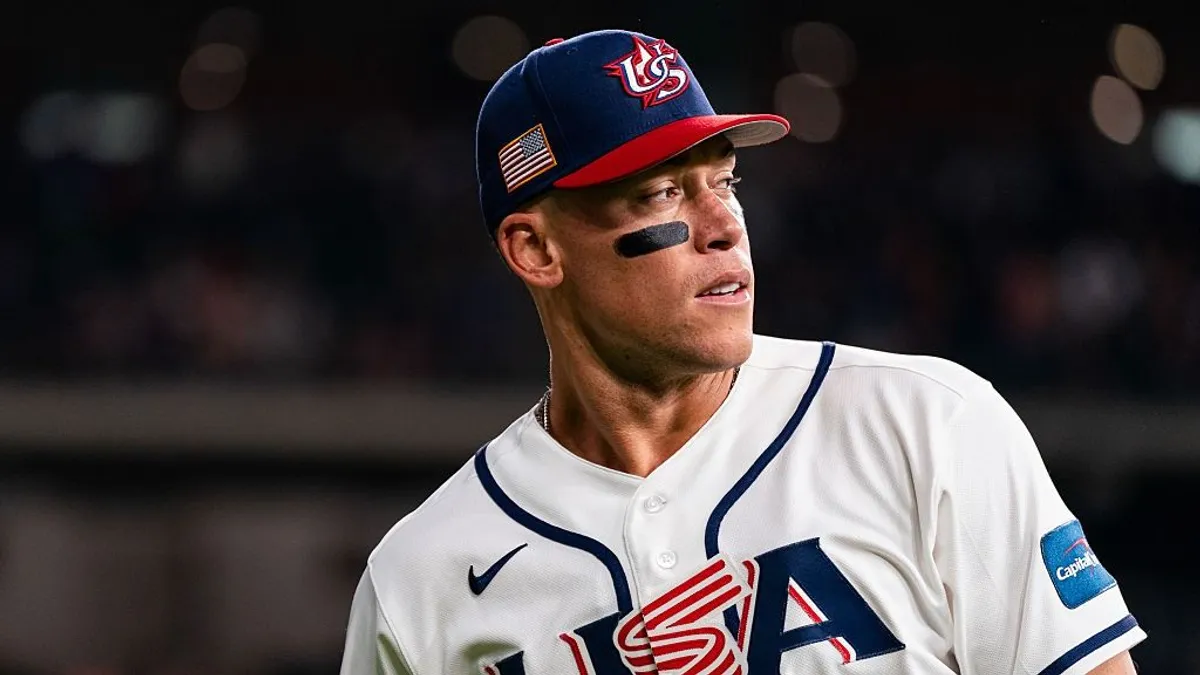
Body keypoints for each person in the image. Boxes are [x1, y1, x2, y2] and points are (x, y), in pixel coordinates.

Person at [338, 29, 1145, 675]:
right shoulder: (421, 578)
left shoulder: (927, 426)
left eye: (724, 183)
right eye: (662, 192)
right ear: (536, 249)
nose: (724, 226)